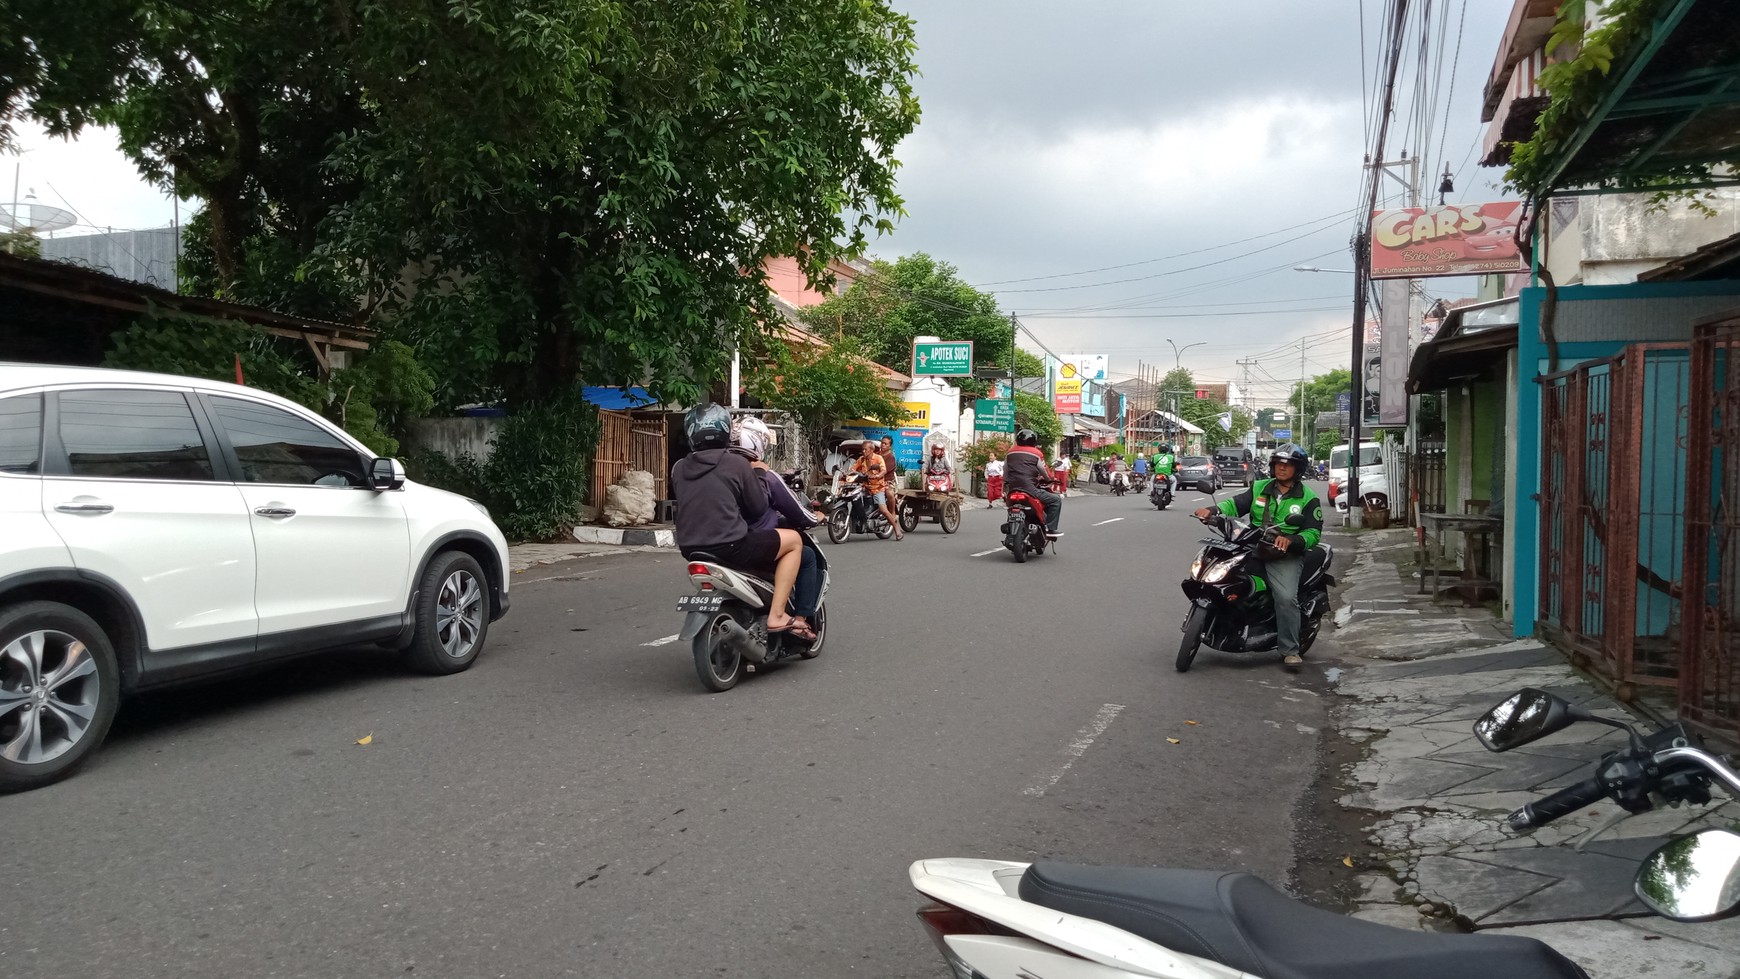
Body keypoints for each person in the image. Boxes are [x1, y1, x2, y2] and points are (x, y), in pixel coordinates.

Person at [671, 404, 805, 635]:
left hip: (689, 548)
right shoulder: (737, 464)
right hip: (731, 545)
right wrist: (760, 474)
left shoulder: (678, 468)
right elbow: (758, 508)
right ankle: (777, 615)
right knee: (794, 541)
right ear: (725, 431)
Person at [1194, 442, 1322, 670]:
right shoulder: (1260, 487)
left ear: (1298, 469)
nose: (1282, 468)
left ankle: (1290, 649)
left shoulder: (1308, 498)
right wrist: (1212, 511)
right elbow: (1235, 504)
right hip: (1252, 546)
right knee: (1225, 576)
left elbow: (1313, 532)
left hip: (1284, 555)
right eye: (1278, 464)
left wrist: (1292, 541)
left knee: (1285, 597)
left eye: (1288, 465)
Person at [731, 416, 821, 641]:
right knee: (807, 555)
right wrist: (817, 517)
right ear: (757, 443)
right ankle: (798, 620)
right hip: (752, 544)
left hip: (717, 541)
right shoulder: (764, 475)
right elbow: (797, 511)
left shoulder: (720, 471)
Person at [1004, 429, 1062, 537]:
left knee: (1010, 507)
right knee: (1056, 500)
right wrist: (1050, 479)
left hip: (1012, 489)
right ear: (1033, 441)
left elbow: (1005, 471)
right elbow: (1045, 471)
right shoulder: (1036, 453)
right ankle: (1050, 529)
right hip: (1030, 489)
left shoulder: (1010, 452)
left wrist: (1007, 481)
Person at [854, 440, 902, 540]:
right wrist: (844, 474)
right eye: (862, 449)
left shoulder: (878, 458)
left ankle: (897, 529)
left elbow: (883, 470)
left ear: (872, 450)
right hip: (865, 487)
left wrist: (877, 475)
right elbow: (853, 469)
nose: (863, 451)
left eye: (865, 449)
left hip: (877, 488)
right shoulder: (861, 459)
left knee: (883, 509)